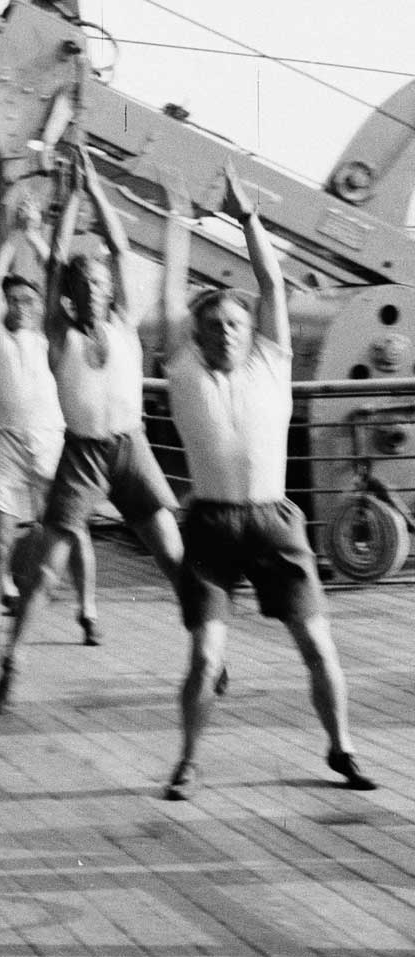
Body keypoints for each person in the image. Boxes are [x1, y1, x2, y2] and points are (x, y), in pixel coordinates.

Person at [160, 167, 376, 800]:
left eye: (233, 323)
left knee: (316, 642)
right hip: (212, 524)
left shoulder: (271, 363)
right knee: (203, 656)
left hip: (275, 521)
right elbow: (172, 298)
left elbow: (271, 285)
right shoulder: (184, 371)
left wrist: (248, 218)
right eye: (212, 326)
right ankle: (187, 762)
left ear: (248, 331)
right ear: (196, 337)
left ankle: (342, 748)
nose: (223, 332)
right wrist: (176, 219)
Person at [0, 145, 187, 714]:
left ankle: (209, 649)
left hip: (133, 445)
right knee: (48, 568)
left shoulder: (125, 324)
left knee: (172, 556)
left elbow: (121, 249)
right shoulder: (60, 335)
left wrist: (94, 186)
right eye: (87, 287)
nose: (97, 292)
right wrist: (68, 203)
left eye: (102, 284)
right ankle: (13, 659)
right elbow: (53, 269)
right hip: (83, 454)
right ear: (73, 300)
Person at [0, 198, 97, 653]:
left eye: (29, 299)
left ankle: (88, 611)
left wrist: (35, 233)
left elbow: (59, 276)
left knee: (72, 528)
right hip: (5, 442)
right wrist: (12, 236)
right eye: (14, 298)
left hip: (50, 440)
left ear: (39, 304)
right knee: (0, 540)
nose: (20, 305)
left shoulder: (50, 333)